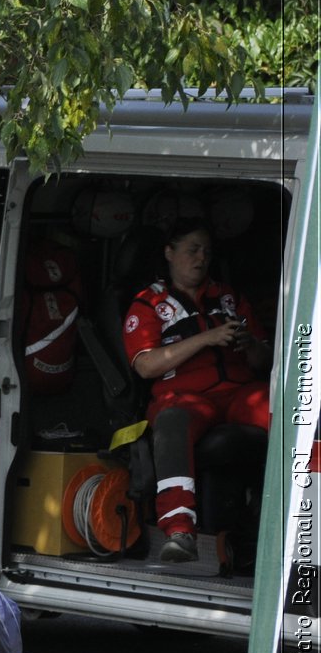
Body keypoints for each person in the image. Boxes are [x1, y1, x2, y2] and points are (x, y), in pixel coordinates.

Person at [122, 218, 271, 563]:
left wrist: (250, 345)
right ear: (170, 253)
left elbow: (264, 360)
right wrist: (206, 338)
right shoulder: (148, 304)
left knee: (287, 410)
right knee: (172, 421)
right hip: (184, 399)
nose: (201, 257)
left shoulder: (229, 296)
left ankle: (291, 516)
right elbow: (146, 365)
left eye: (206, 250)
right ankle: (179, 531)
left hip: (239, 392)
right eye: (192, 249)